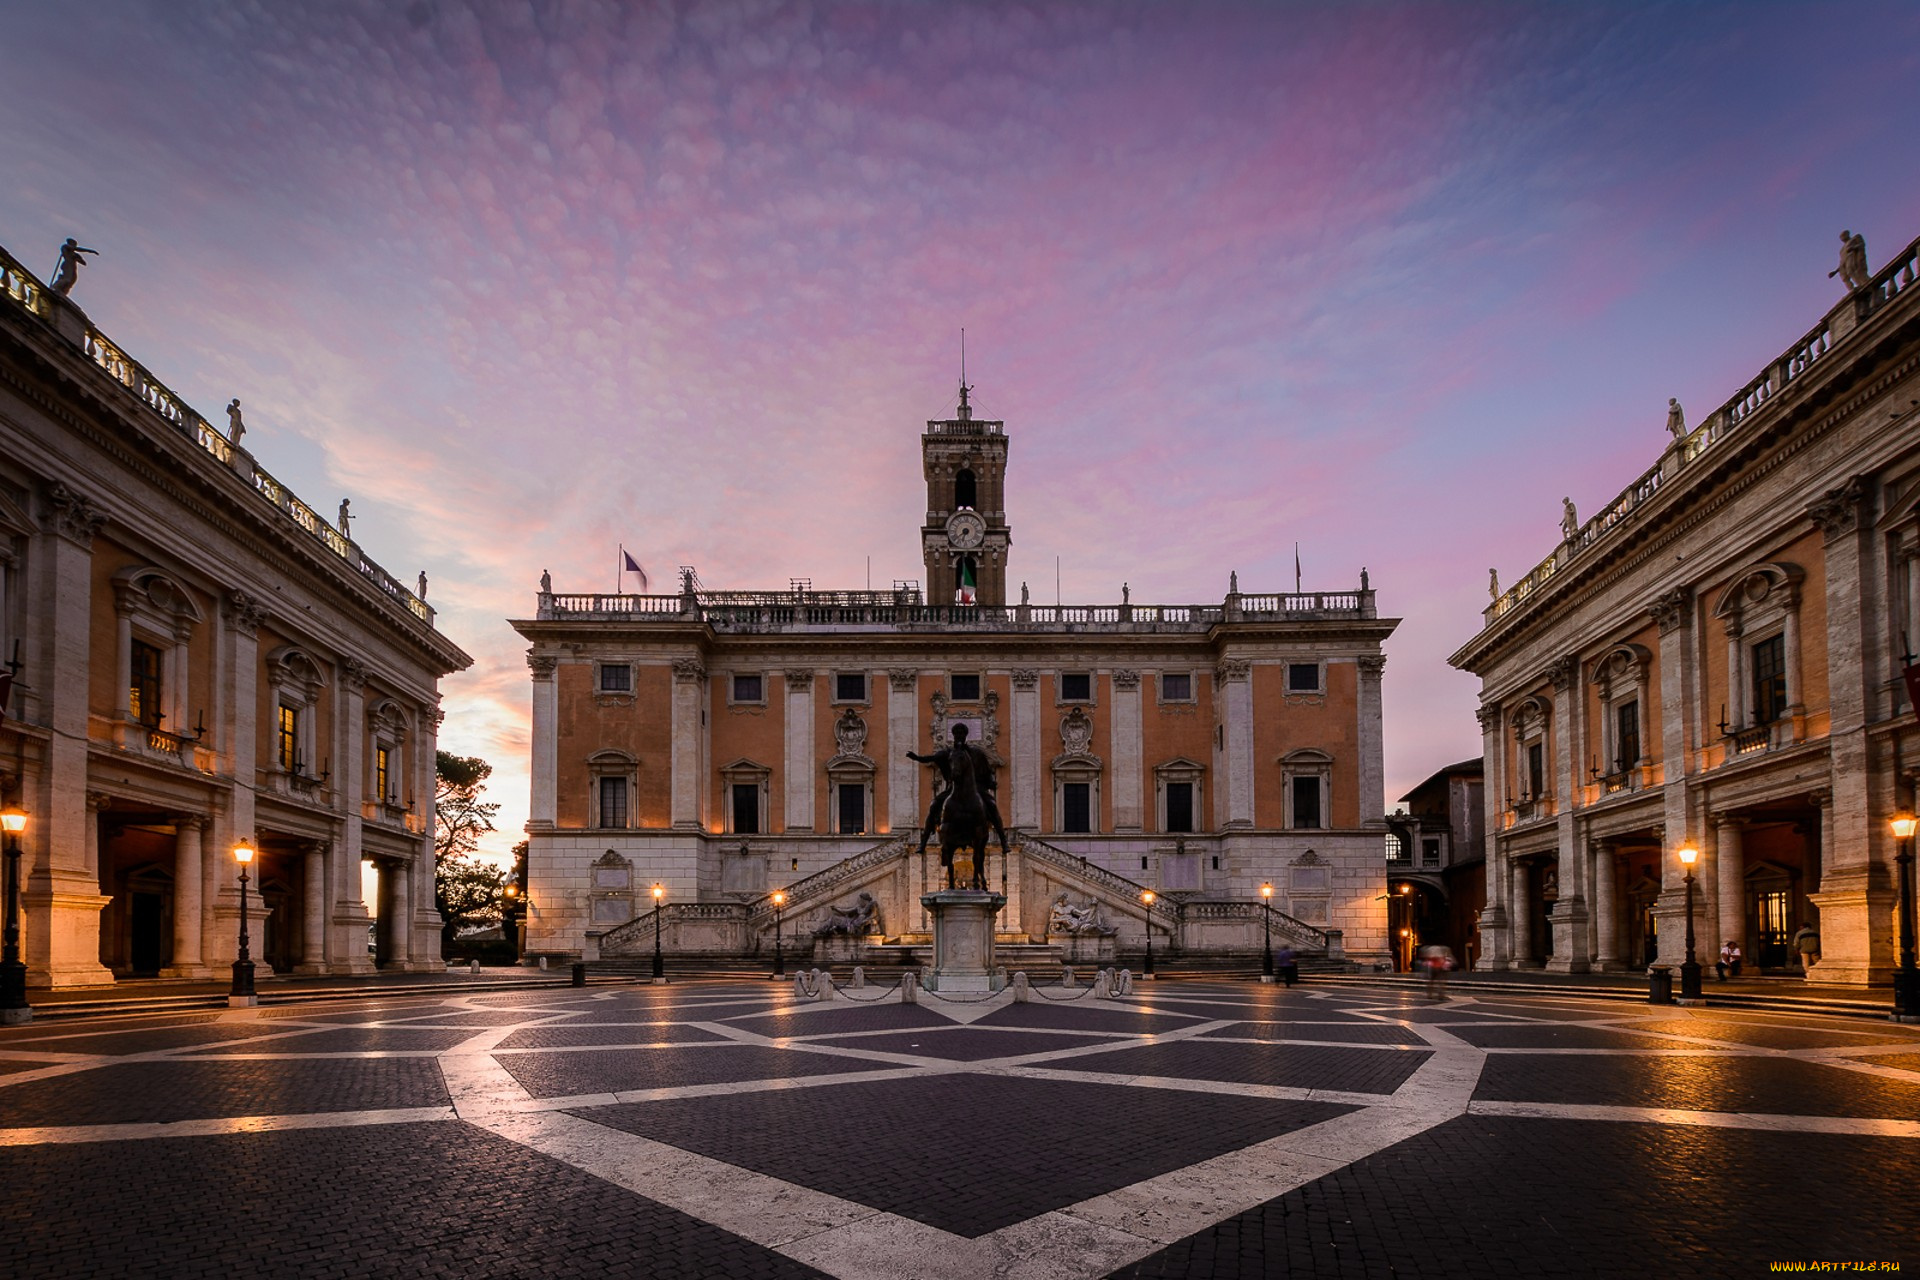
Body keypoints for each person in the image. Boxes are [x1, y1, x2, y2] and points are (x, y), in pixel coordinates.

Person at [905, 722, 1008, 858]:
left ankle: (1003, 841)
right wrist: (916, 758)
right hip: (952, 788)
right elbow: (931, 758)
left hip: (976, 788)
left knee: (992, 806)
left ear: (966, 735)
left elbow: (987, 769)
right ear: (953, 735)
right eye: (957, 733)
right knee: (934, 804)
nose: (959, 736)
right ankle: (923, 842)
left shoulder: (976, 753)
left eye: (962, 733)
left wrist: (990, 781)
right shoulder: (948, 753)